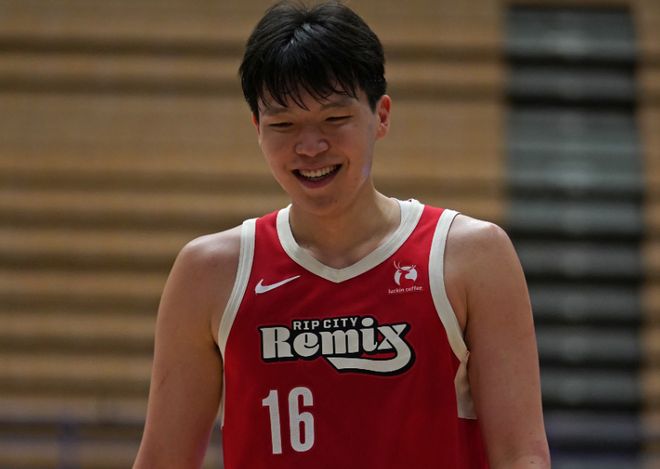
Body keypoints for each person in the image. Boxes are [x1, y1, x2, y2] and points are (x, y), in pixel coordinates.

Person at [133, 1, 550, 468]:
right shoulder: (210, 273)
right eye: (283, 124)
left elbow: (522, 456)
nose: (311, 146)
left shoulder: (471, 256)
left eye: (334, 119)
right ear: (257, 129)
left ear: (382, 116)